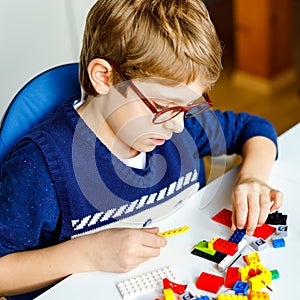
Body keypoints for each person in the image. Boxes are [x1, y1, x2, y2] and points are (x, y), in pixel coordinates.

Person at [0, 0, 283, 299]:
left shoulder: (178, 125)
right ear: (104, 78)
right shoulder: (41, 168)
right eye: (161, 107)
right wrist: (86, 255)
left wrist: (253, 177)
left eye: (188, 107)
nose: (177, 126)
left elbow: (253, 128)